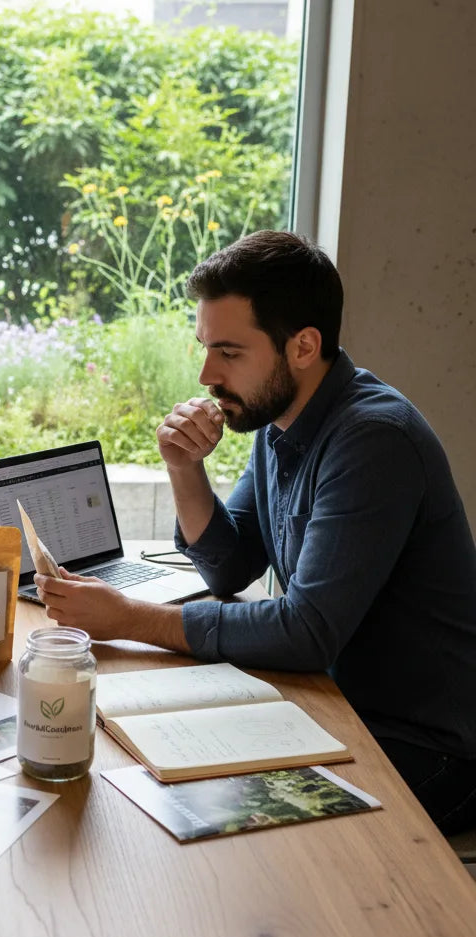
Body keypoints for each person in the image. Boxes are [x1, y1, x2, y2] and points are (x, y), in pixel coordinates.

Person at [38, 230, 476, 835]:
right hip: (328, 704)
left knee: (214, 821)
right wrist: (184, 467)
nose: (206, 374)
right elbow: (229, 565)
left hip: (422, 747)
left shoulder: (375, 440)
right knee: (142, 765)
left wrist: (130, 619)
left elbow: (305, 632)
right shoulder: (280, 420)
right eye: (204, 347)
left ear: (303, 346)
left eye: (229, 352)